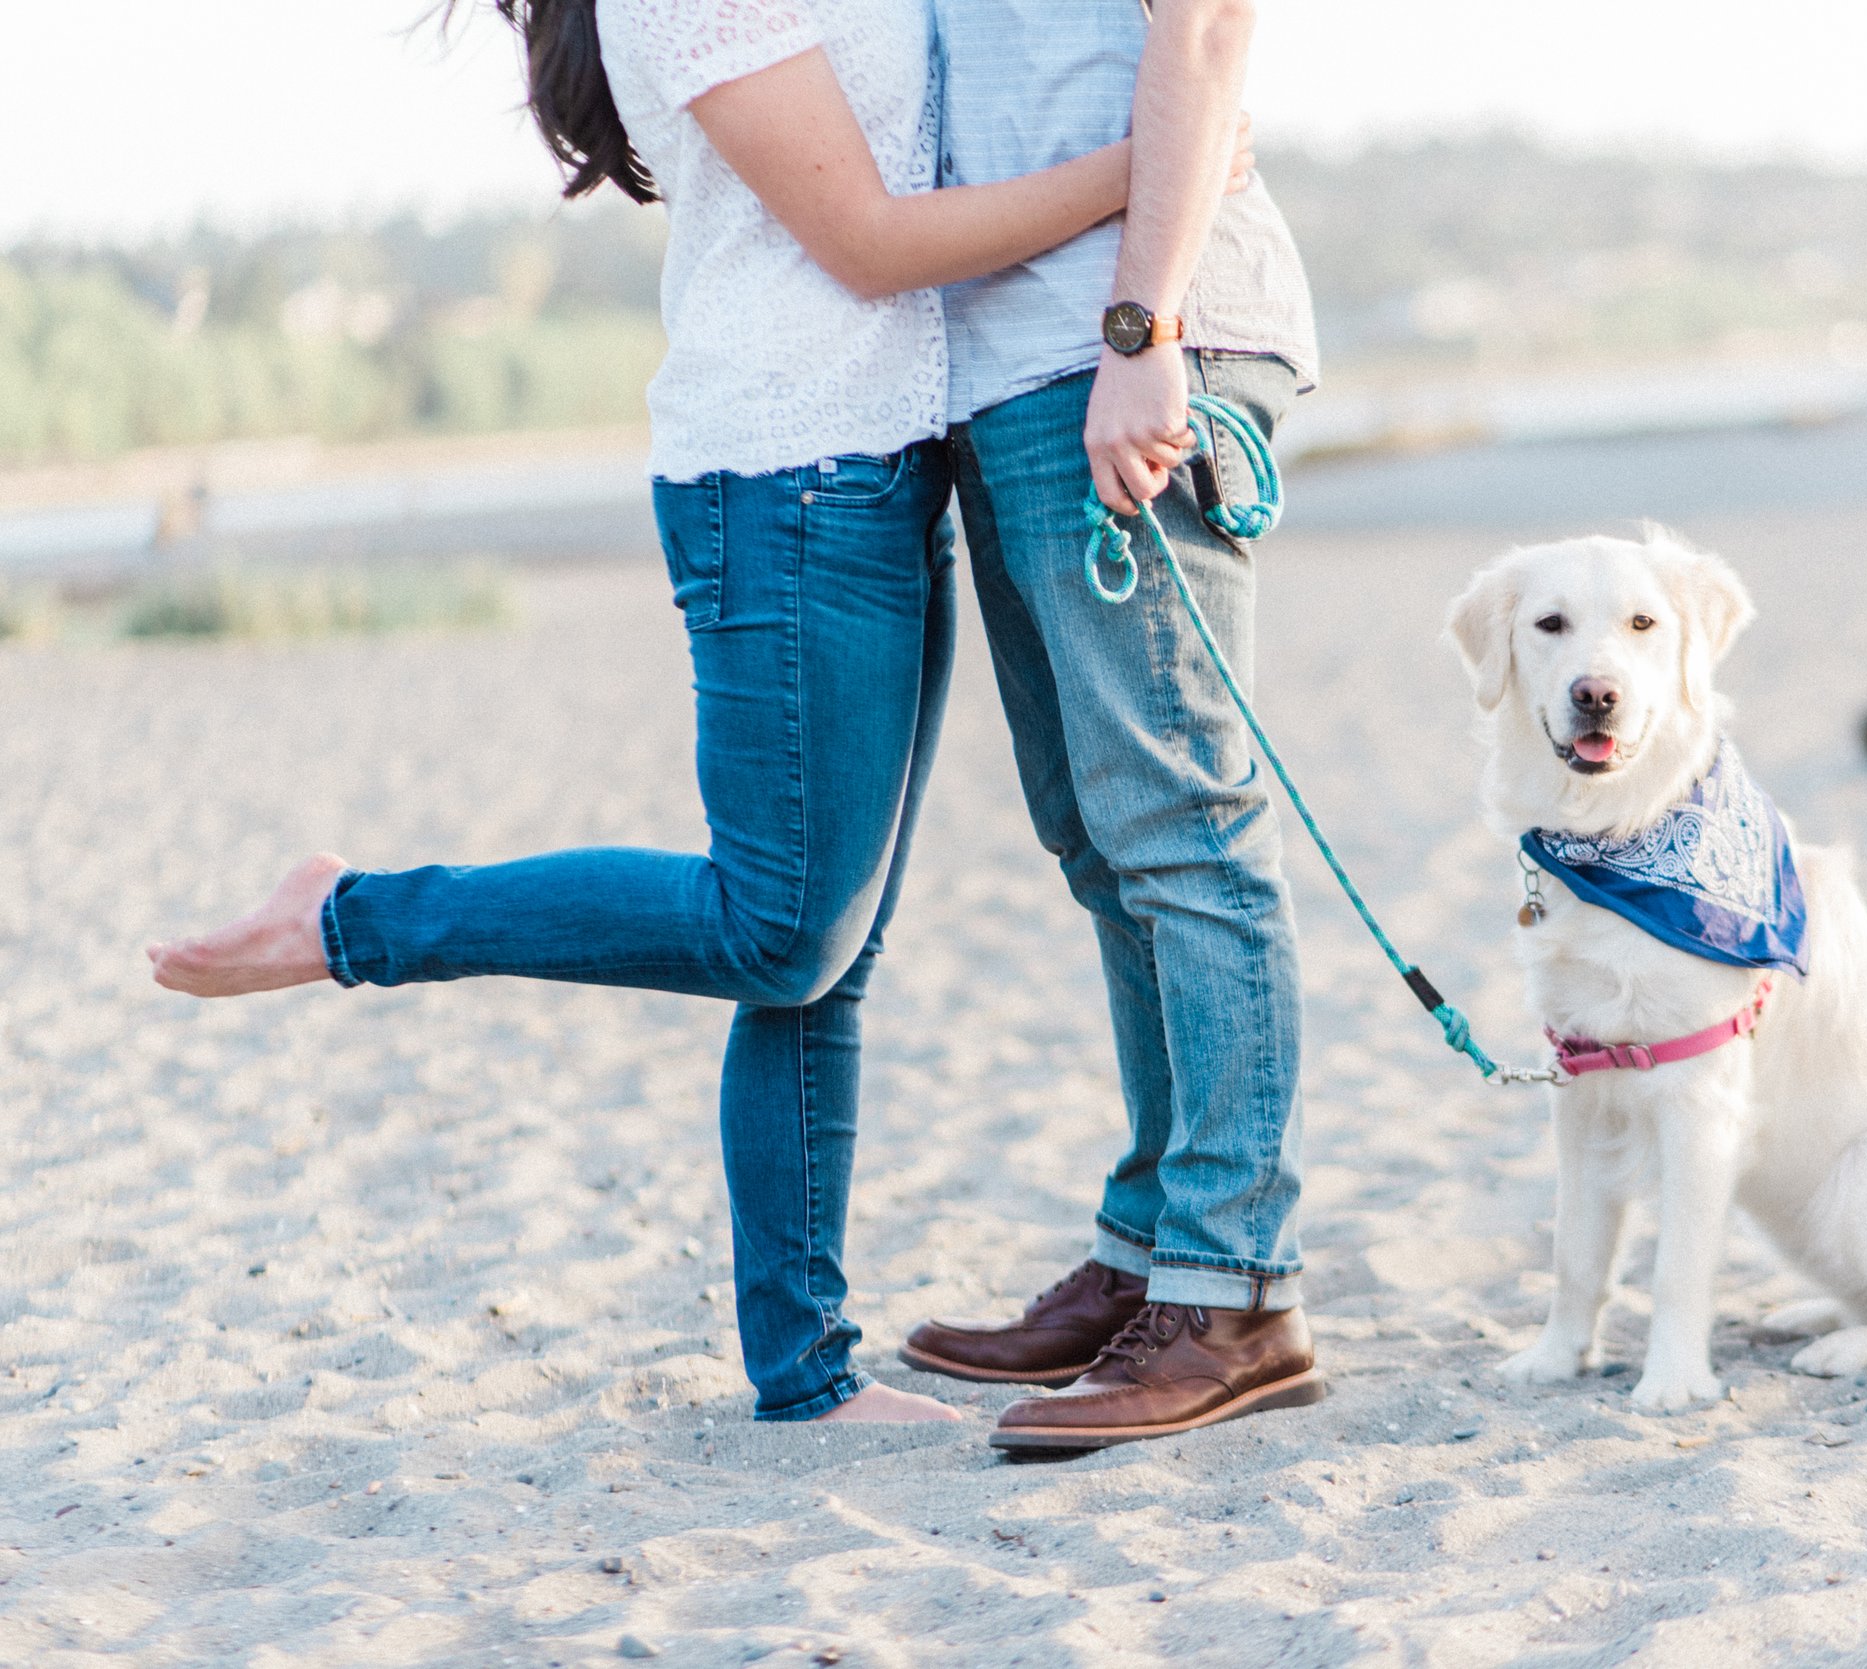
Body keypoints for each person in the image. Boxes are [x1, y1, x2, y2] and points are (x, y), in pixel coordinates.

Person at [147, 0, 1245, 1426]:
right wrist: (1147, 171)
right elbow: (871, 244)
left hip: (886, 465)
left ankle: (805, 1373)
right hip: (781, 485)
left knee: (824, 954)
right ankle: (355, 916)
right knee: (778, 924)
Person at [893, 0, 1329, 1451]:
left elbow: (1204, 38)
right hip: (1013, 367)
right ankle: (1152, 1249)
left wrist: (1148, 329)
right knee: (1098, 836)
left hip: (1136, 338)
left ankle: (1232, 1288)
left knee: (1182, 825)